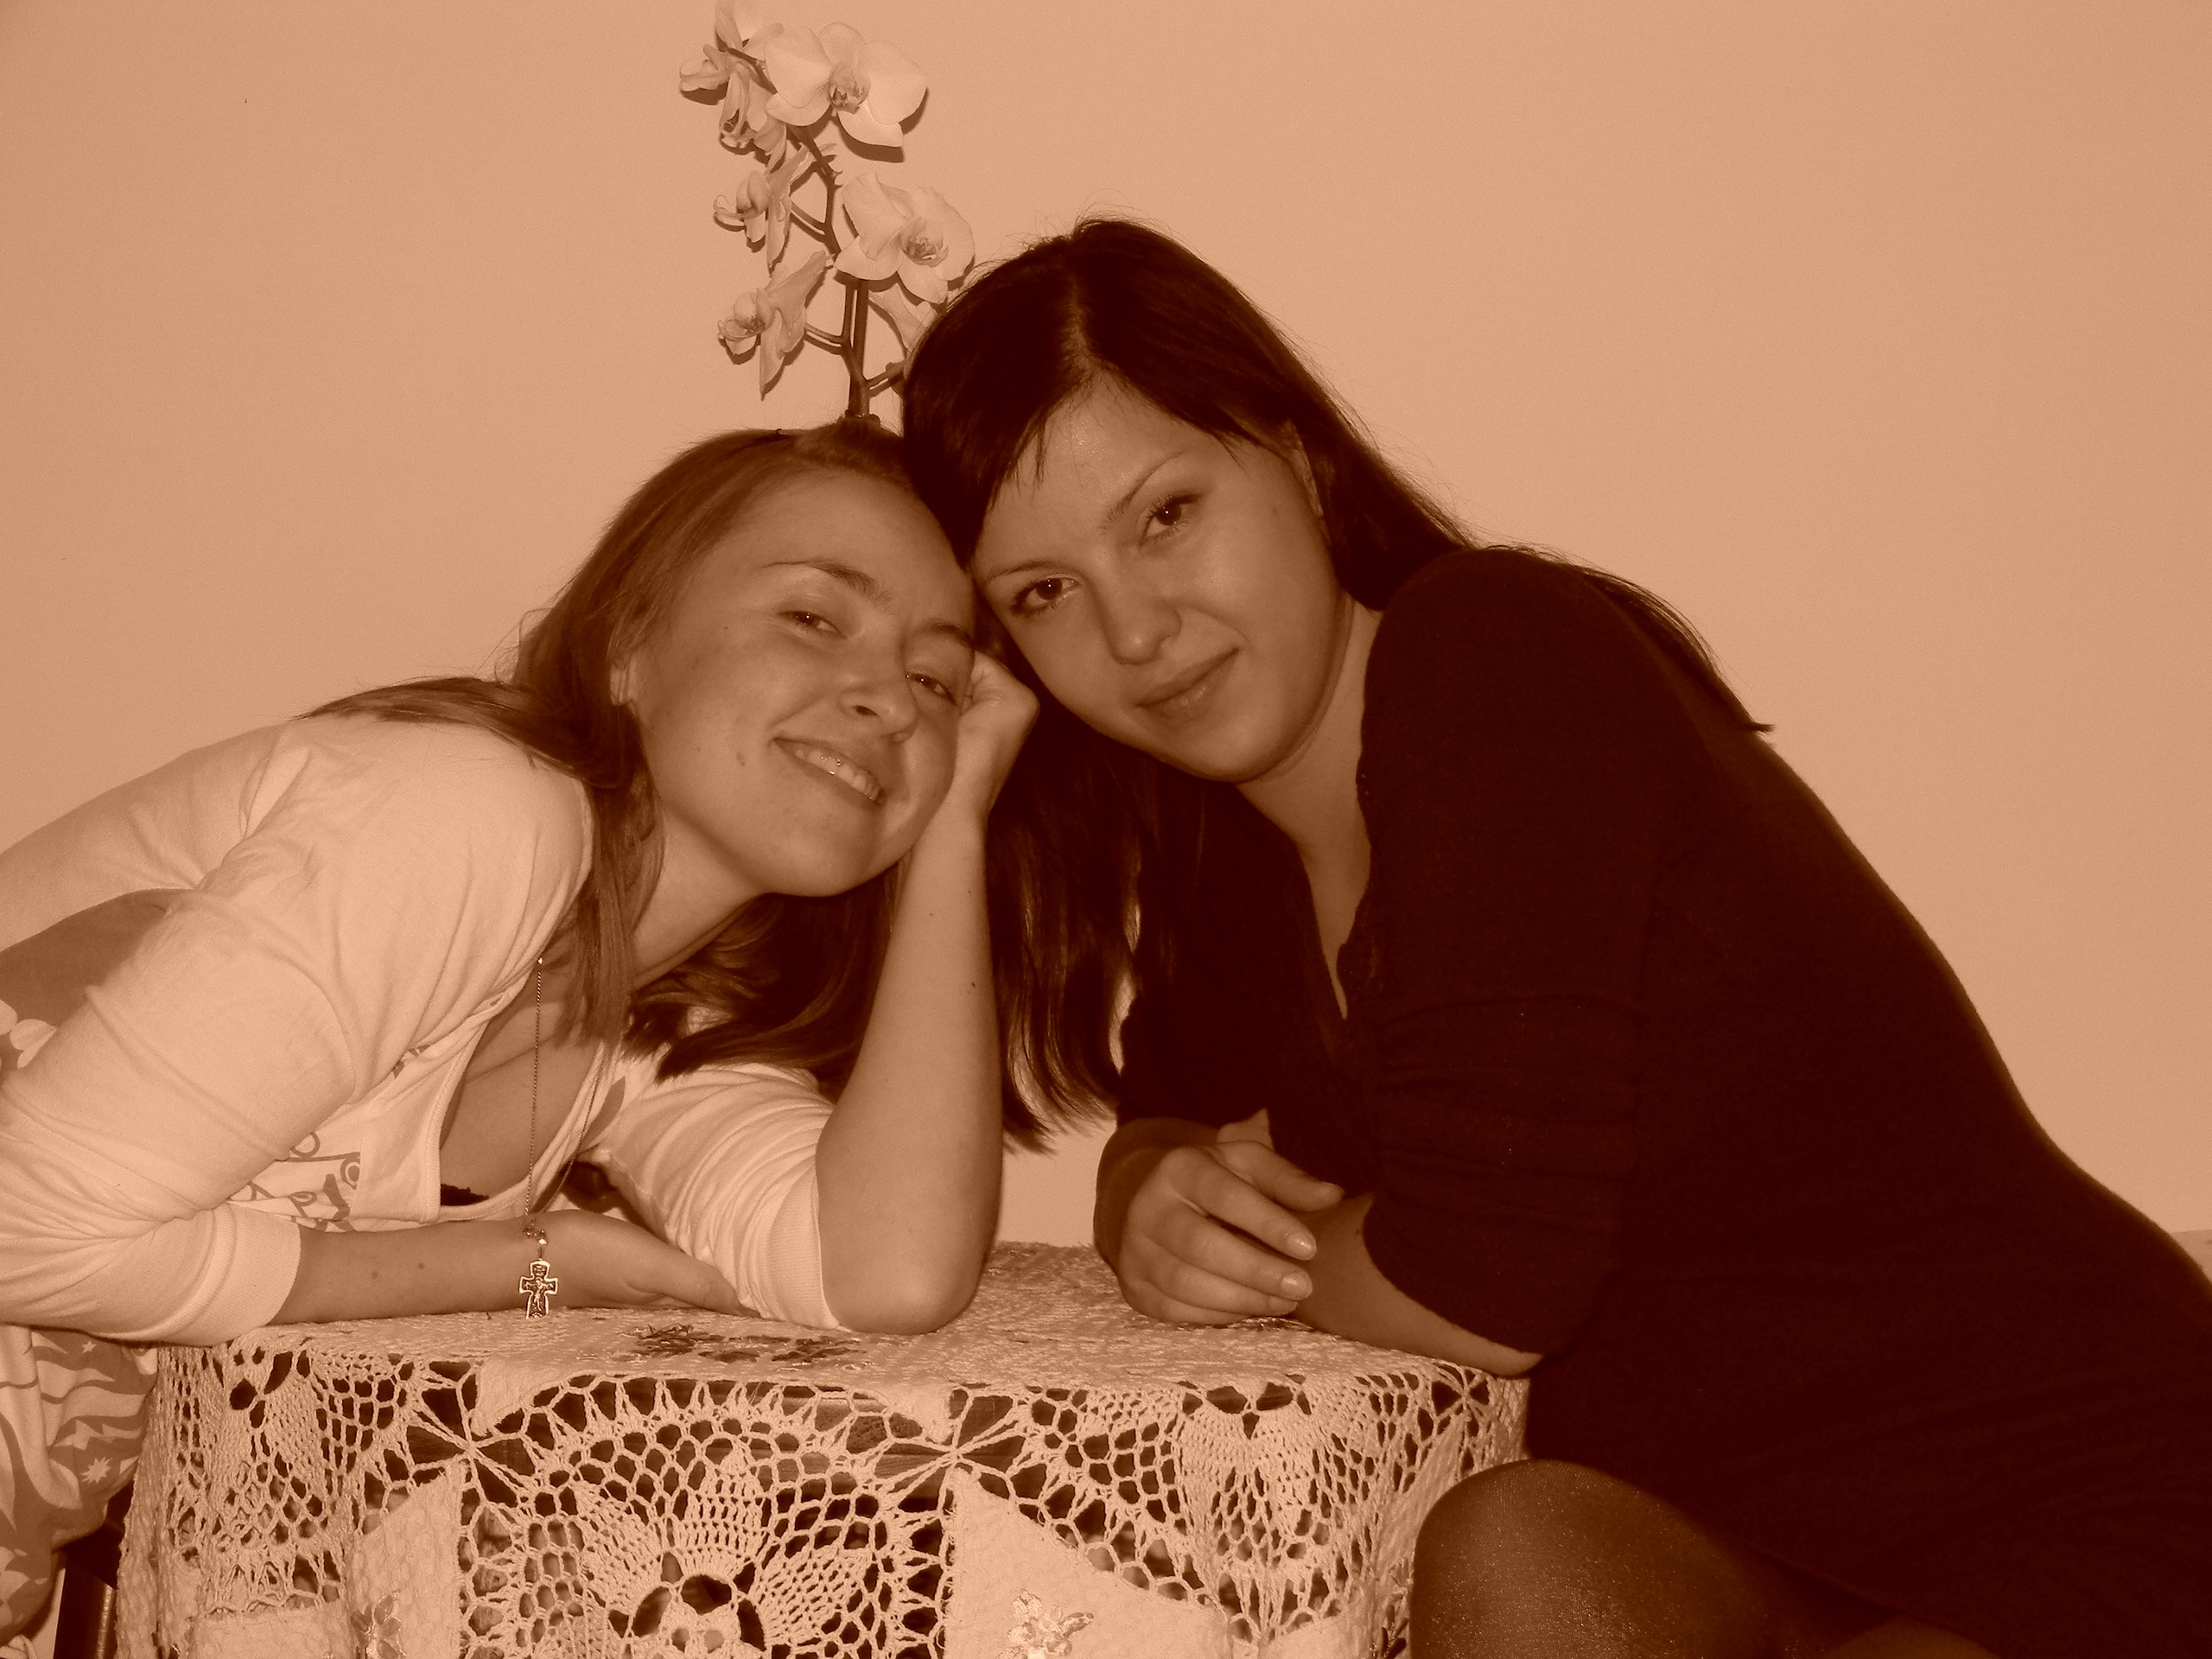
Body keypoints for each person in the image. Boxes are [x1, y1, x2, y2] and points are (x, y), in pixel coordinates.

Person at [897, 220, 2212, 1659]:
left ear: (1295, 453)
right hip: (1746, 1538)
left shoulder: (1497, 663)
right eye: (1044, 593)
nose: (1136, 630)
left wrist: (1267, 1257)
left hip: (2085, 1491)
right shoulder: (1228, 842)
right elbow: (1172, 1106)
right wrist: (1145, 1195)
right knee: (1510, 1550)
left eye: (1165, 516)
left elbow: (1483, 1288)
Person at [0, 418, 1035, 1643]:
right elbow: (25, 1231)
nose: (888, 700)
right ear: (629, 646)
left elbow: (885, 1276)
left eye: (936, 681)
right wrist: (524, 1262)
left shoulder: (655, 1029)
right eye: (814, 616)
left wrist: (956, 822)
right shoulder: (467, 812)